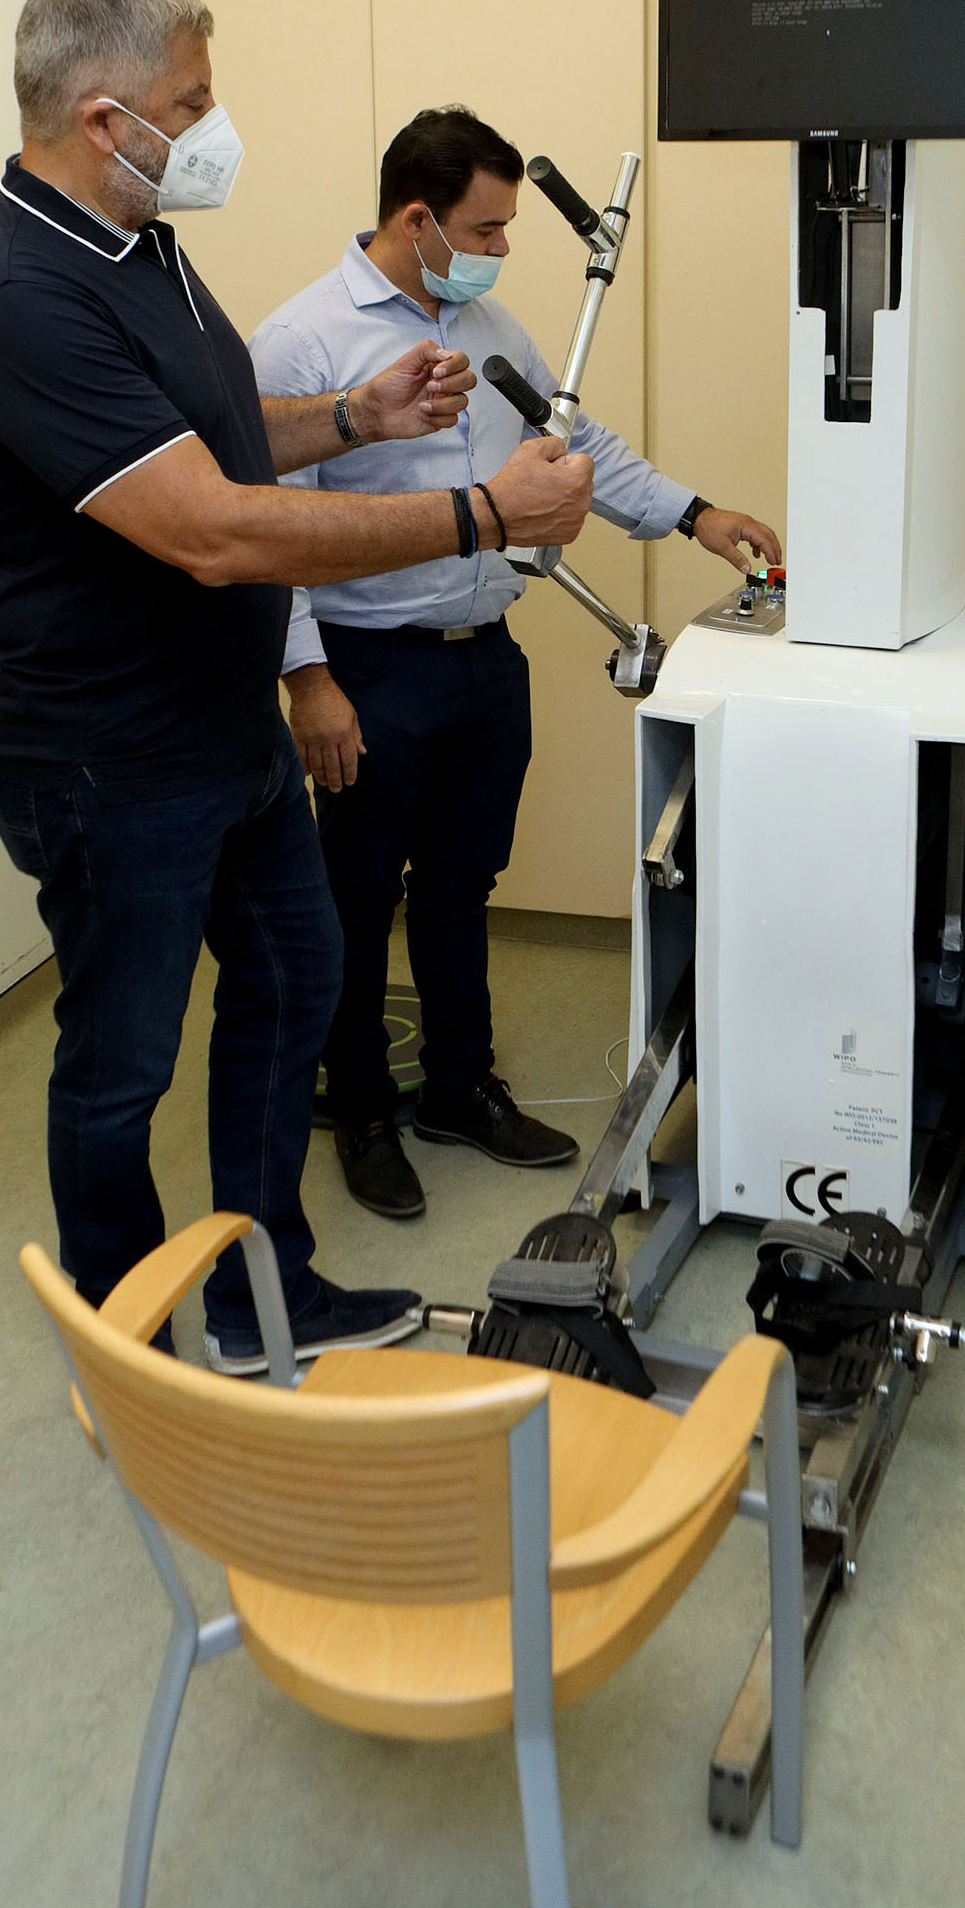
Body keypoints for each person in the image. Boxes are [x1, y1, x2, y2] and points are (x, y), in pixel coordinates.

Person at [0, 0, 593, 1372]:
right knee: (121, 1061)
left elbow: (214, 436)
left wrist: (351, 415)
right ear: (101, 119)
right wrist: (480, 511)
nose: (210, 129)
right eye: (191, 103)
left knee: (294, 977)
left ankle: (258, 1292)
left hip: (221, 731)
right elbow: (212, 528)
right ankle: (135, 1349)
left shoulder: (140, 243)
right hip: (106, 756)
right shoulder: (15, 295)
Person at [248, 107, 781, 1222]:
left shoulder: (488, 325)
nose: (498, 248)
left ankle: (457, 1088)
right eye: (485, 228)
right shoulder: (303, 344)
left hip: (484, 661)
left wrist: (697, 514)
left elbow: (578, 445)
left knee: (459, 885)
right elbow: (270, 533)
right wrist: (307, 681)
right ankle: (363, 1112)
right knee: (355, 900)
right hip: (366, 667)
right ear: (417, 219)